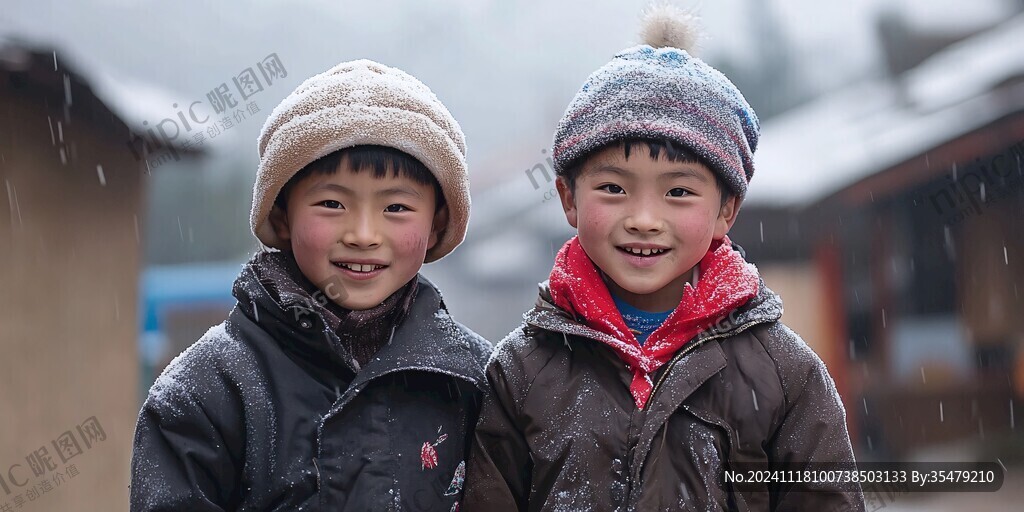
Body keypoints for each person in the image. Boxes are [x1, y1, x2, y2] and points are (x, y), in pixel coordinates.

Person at [463, 6, 864, 511]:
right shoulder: (523, 372)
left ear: (726, 210)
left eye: (678, 192)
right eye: (613, 188)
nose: (644, 219)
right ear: (567, 198)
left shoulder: (782, 373)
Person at [130, 59, 490, 511]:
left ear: (437, 225)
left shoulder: (475, 380)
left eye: (396, 207)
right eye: (332, 202)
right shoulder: (207, 391)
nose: (362, 234)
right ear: (282, 214)